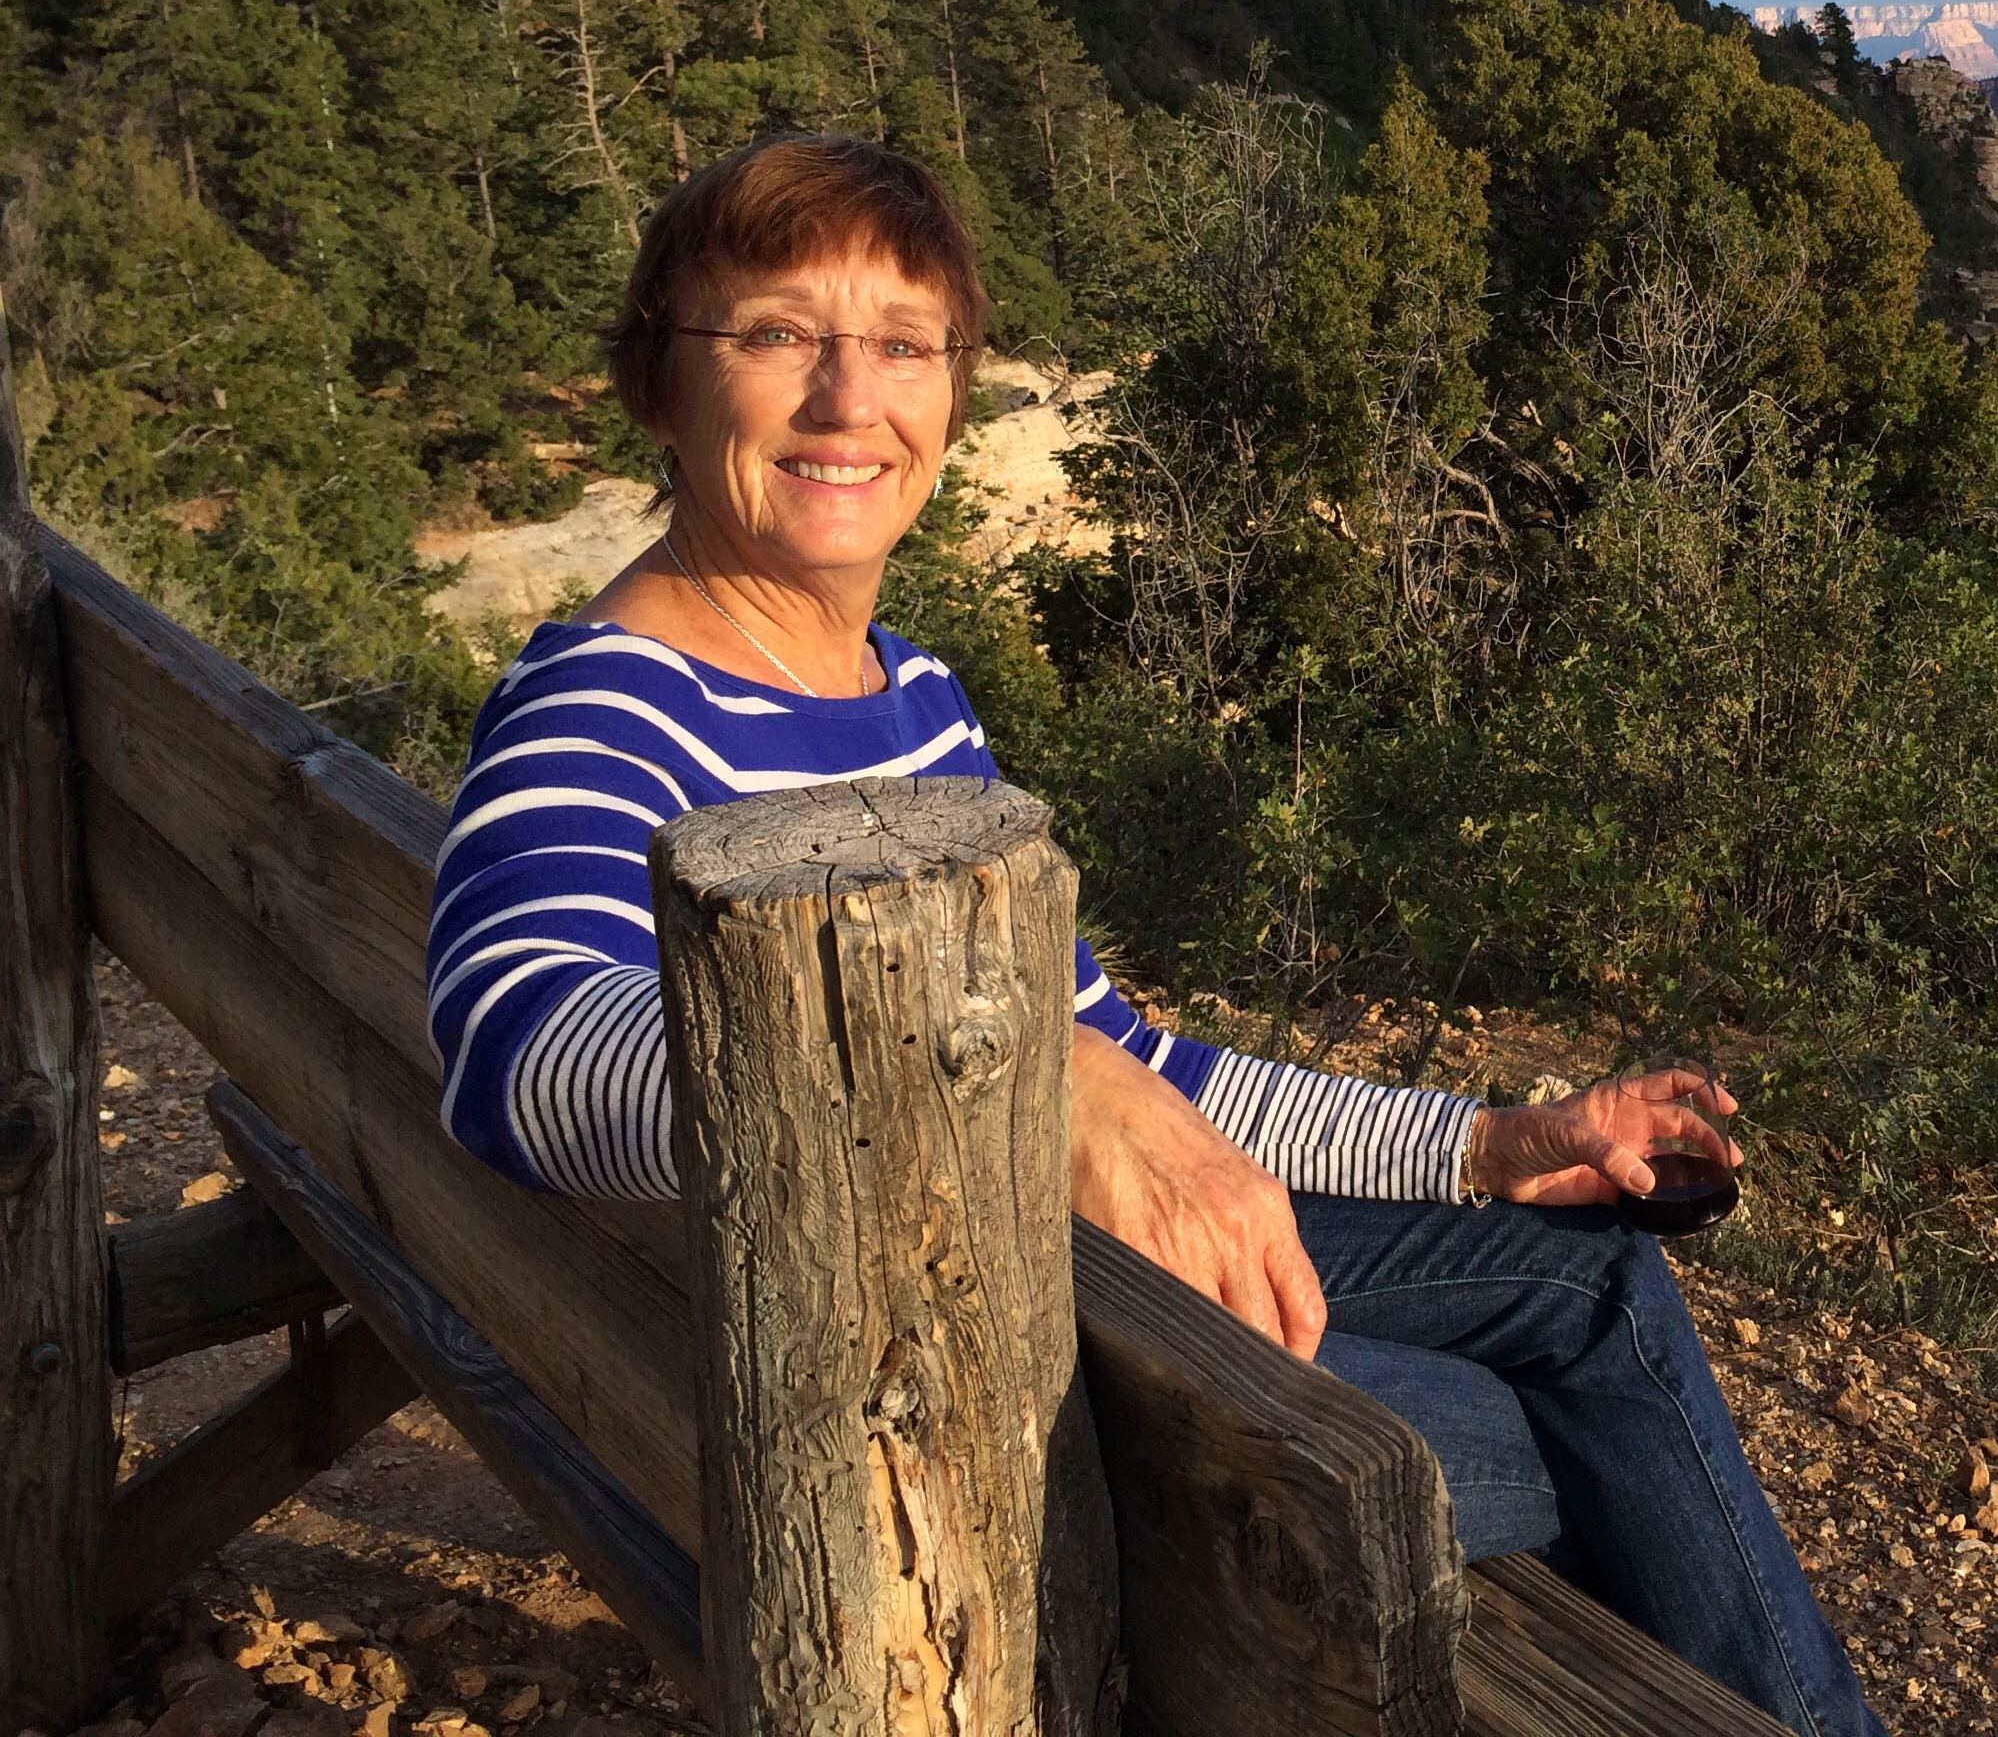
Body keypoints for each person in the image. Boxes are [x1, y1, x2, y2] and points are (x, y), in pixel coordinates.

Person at [424, 133, 1884, 1737]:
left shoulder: (912, 696)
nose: (849, 399)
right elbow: (519, 1058)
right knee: (1545, 1444)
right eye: (778, 334)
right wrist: (1020, 1073)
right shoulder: (601, 704)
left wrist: (1484, 1141)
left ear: (952, 394)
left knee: (1594, 1283)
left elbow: (1133, 1069)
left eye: (904, 344)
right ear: (660, 377)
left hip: (1028, 1301)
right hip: (920, 1404)